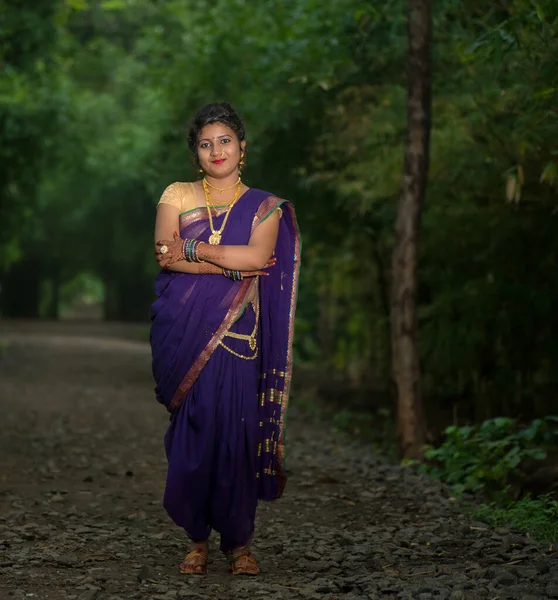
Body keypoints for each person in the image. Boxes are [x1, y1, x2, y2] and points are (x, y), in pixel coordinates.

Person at [150, 103, 300, 576]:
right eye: (205, 142)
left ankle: (239, 544)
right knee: (193, 436)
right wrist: (228, 262)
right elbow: (165, 257)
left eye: (225, 140)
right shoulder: (176, 193)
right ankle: (197, 540)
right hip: (184, 333)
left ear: (242, 147)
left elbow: (259, 256)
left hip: (239, 338)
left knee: (237, 435)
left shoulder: (264, 206)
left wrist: (194, 248)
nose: (216, 150)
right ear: (196, 152)